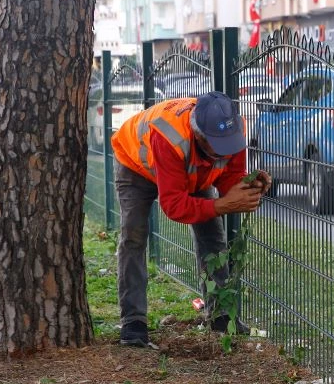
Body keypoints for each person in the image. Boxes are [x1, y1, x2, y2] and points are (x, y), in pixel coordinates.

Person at [111, 90, 272, 347]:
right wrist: (221, 204)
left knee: (213, 236)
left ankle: (220, 316)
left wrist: (248, 186)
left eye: (227, 145)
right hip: (136, 167)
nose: (223, 153)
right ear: (198, 135)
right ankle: (133, 323)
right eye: (216, 147)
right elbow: (174, 206)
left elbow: (229, 176)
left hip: (189, 171)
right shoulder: (170, 137)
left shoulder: (234, 131)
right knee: (134, 235)